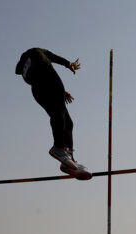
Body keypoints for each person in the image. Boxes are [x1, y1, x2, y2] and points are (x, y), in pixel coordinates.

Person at [15, 48, 90, 179]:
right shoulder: (36, 51)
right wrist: (68, 64)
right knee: (60, 114)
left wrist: (61, 92)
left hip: (38, 91)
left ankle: (68, 160)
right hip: (47, 82)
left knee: (67, 122)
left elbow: (37, 78)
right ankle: (58, 147)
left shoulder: (26, 67)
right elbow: (52, 57)